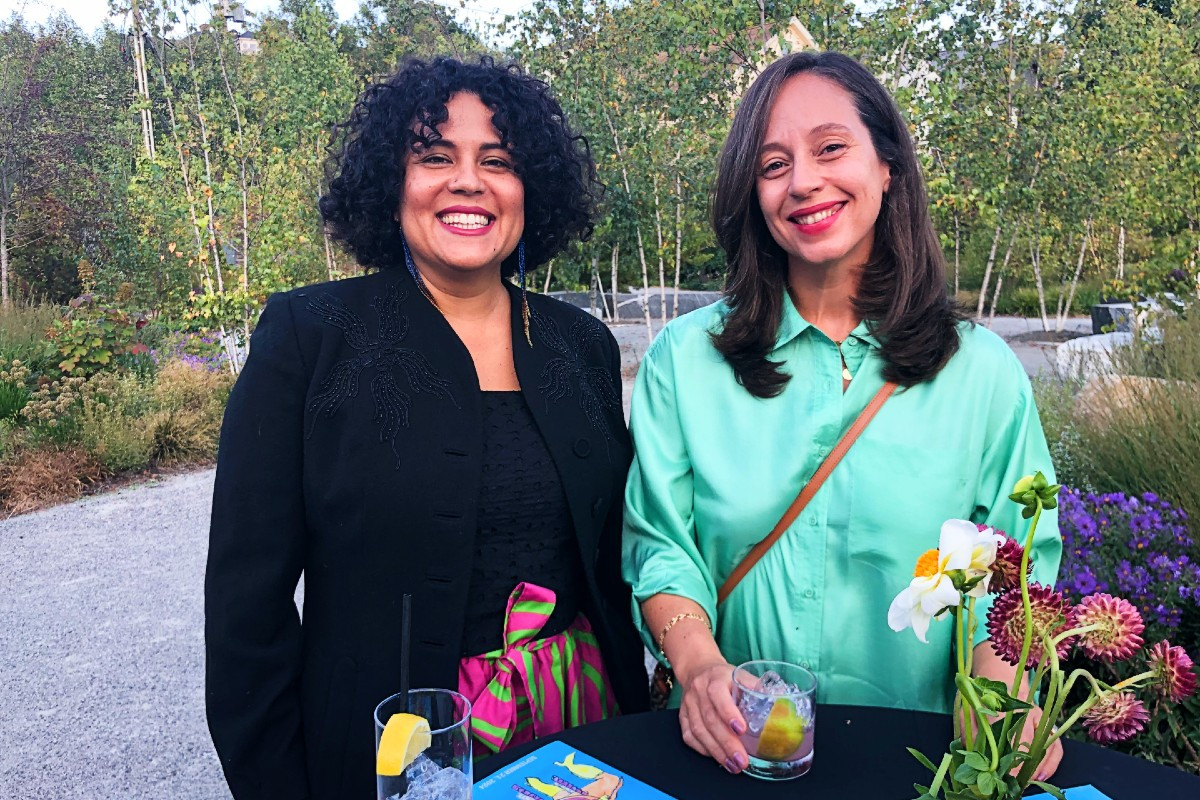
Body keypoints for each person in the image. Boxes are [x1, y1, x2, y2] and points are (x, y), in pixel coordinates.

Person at [205, 56, 647, 800]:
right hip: (392, 753)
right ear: (390, 182)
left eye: (498, 161)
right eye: (434, 156)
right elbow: (247, 611)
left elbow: (613, 565)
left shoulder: (582, 345)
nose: (468, 181)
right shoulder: (309, 337)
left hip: (582, 734)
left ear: (530, 190)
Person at [622, 52, 1063, 780]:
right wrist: (699, 668)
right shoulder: (684, 361)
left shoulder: (981, 373)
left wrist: (1000, 699)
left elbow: (1018, 570)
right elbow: (662, 545)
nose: (803, 181)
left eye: (831, 148)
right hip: (737, 750)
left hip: (923, 760)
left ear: (887, 164)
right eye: (772, 164)